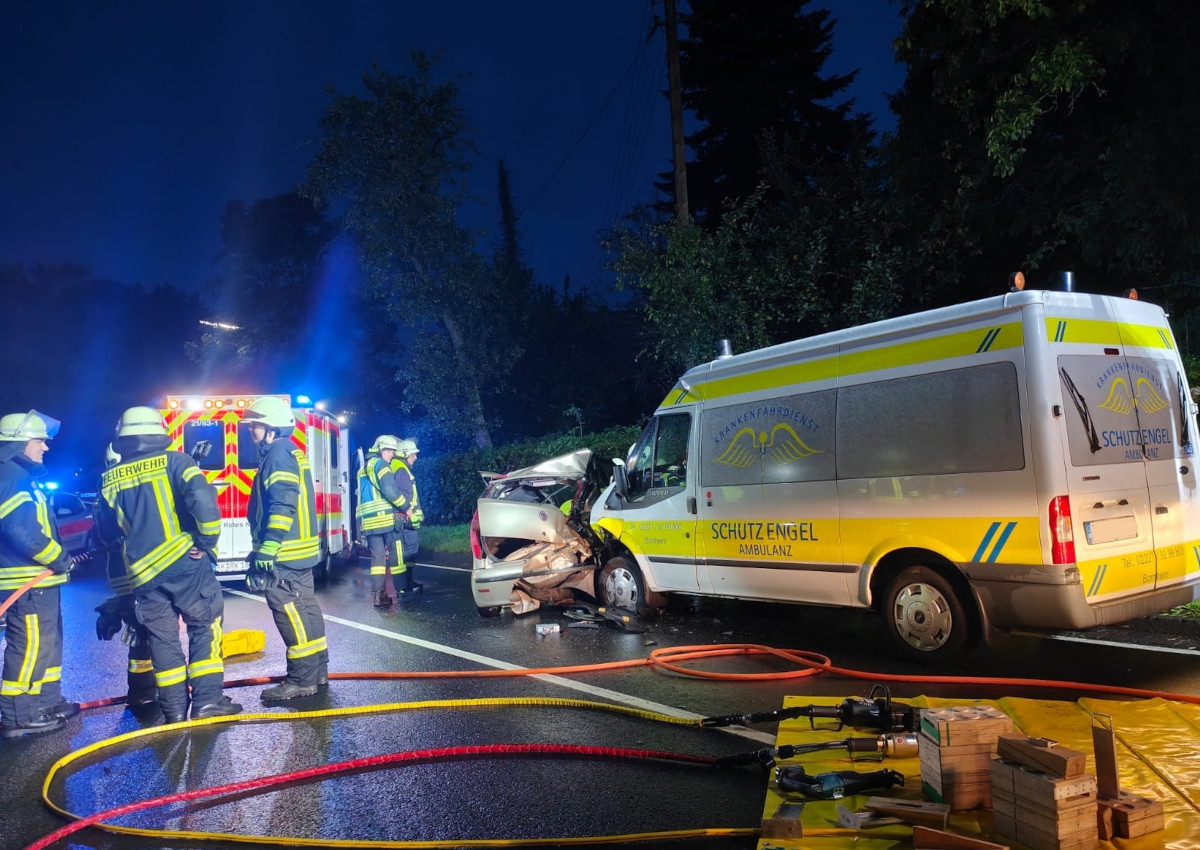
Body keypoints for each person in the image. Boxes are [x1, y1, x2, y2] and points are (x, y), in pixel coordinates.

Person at [95, 406, 240, 723]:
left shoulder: (109, 481)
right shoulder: (177, 461)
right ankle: (207, 702)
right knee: (205, 627)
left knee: (163, 641)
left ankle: (174, 710)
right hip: (184, 565)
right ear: (157, 433)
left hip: (144, 576)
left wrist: (122, 595)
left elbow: (107, 537)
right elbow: (203, 501)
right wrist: (205, 541)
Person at [243, 397, 328, 701]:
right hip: (300, 550)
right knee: (305, 605)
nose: (250, 431)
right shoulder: (291, 451)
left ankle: (302, 678)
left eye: (255, 425)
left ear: (270, 429)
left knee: (288, 609)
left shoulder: (278, 455)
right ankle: (317, 671)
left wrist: (268, 548)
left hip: (285, 553)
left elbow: (282, 503)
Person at [0, 410, 78, 738]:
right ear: (18, 443)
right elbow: (20, 530)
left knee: (47, 643)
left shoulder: (22, 475)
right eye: (39, 440)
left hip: (39, 581)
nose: (45, 447)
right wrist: (58, 556)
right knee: (30, 645)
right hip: (26, 581)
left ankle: (45, 701)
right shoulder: (11, 476)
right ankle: (18, 716)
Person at [93, 443, 157, 715]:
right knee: (150, 634)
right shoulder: (127, 490)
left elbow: (103, 536)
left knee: (140, 633)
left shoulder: (105, 491)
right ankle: (149, 692)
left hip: (122, 575)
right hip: (139, 574)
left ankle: (142, 692)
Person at [355, 434, 410, 607]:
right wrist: (406, 507)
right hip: (386, 518)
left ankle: (379, 595)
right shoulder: (382, 466)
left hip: (369, 521)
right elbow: (390, 491)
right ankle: (402, 590)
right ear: (380, 450)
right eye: (389, 451)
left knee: (377, 559)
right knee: (397, 554)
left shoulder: (362, 469)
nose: (391, 455)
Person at [391, 439, 424, 595]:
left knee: (409, 550)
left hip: (405, 517)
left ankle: (407, 582)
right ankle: (405, 583)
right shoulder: (401, 469)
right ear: (404, 454)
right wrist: (410, 513)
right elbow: (404, 494)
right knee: (409, 550)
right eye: (413, 454)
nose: (415, 457)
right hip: (405, 518)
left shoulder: (399, 467)